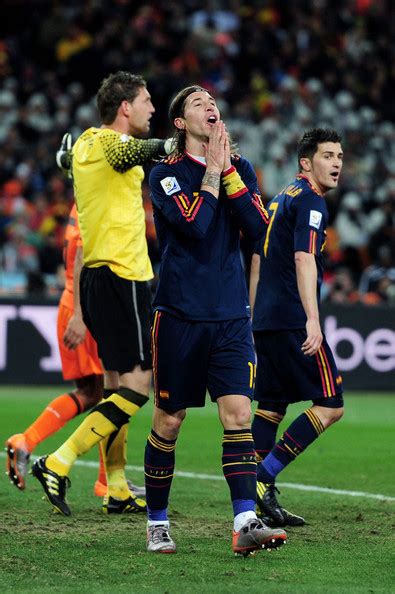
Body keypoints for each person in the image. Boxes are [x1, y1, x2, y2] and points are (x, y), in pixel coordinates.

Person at [144, 85, 287, 556]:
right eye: (196, 102)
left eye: (213, 100)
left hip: (230, 316)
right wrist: (211, 172)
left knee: (240, 414)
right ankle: (157, 522)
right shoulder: (164, 174)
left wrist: (225, 169)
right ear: (180, 123)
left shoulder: (239, 168)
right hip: (181, 315)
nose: (210, 104)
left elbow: (260, 229)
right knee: (170, 420)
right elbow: (193, 225)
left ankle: (245, 519)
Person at [32, 71, 172, 516]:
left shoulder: (83, 146)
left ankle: (114, 485)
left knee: (114, 386)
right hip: (122, 274)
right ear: (125, 107)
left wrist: (63, 160)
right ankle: (58, 460)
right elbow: (129, 149)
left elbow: (71, 161)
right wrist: (171, 147)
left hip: (94, 278)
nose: (153, 108)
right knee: (137, 387)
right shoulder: (110, 143)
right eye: (147, 101)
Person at [5, 201, 145, 499]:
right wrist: (81, 315)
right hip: (84, 302)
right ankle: (106, 480)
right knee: (118, 389)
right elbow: (82, 258)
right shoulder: (94, 202)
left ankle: (30, 443)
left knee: (95, 392)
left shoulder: (78, 203)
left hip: (74, 300)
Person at [249, 128, 345, 527]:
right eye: (327, 155)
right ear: (306, 162)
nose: (337, 163)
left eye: (340, 156)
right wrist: (312, 319)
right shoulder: (310, 201)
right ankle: (261, 478)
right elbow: (305, 258)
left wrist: (254, 317)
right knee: (330, 405)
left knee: (271, 406)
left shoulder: (279, 198)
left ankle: (256, 498)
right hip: (291, 318)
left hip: (267, 320)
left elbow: (257, 258)